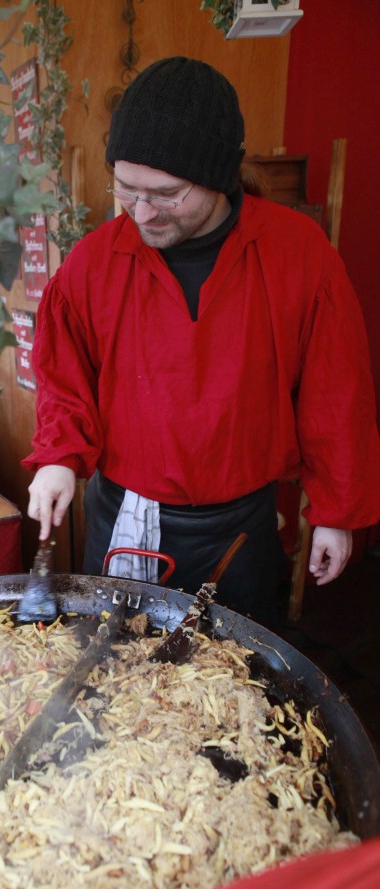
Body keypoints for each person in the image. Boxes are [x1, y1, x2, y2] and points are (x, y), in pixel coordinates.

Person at [23, 56, 380, 627]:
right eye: (126, 189)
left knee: (231, 672)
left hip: (241, 528)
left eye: (166, 194)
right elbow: (64, 378)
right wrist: (58, 459)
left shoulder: (299, 255)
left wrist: (334, 512)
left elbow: (336, 394)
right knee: (115, 666)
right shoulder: (92, 265)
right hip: (124, 516)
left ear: (216, 175)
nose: (142, 212)